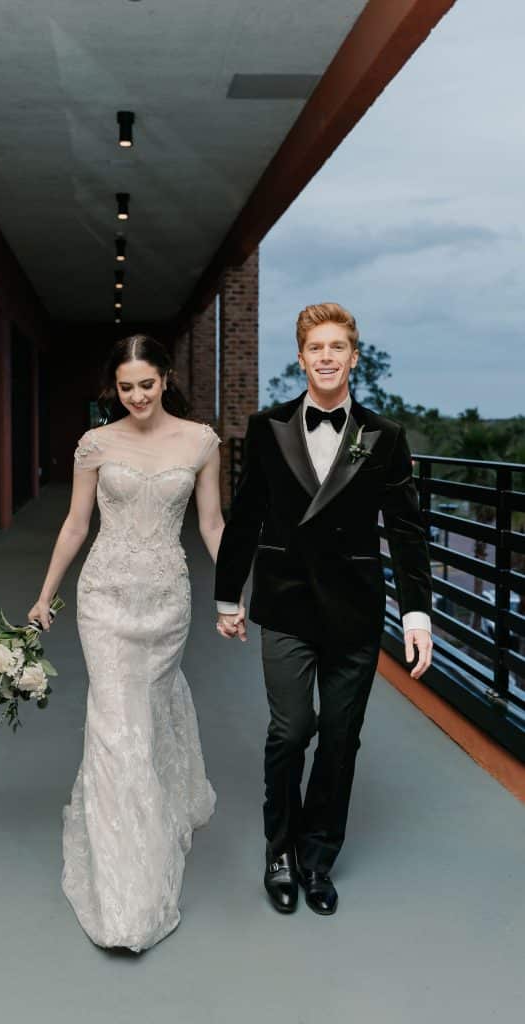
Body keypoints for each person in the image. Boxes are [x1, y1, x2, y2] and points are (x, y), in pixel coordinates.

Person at [214, 302, 432, 916]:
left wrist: (418, 616)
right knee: (291, 731)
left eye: (339, 347)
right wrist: (228, 596)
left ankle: (315, 859)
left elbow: (407, 531)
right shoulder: (268, 427)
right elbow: (247, 515)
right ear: (303, 356)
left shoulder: (384, 437)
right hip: (285, 603)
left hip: (355, 610)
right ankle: (278, 851)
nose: (328, 357)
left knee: (340, 739)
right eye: (317, 347)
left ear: (353, 357)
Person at [28, 334, 224, 952]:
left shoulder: (199, 442)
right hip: (105, 599)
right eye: (125, 386)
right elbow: (76, 523)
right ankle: (126, 895)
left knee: (148, 719)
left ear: (165, 377)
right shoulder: (95, 444)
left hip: (167, 601)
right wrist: (44, 595)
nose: (137, 395)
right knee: (117, 729)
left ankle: (151, 837)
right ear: (113, 389)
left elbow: (212, 524)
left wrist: (236, 593)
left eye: (146, 383)